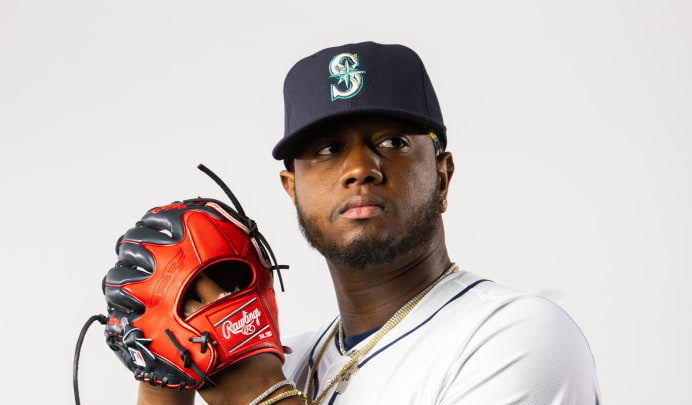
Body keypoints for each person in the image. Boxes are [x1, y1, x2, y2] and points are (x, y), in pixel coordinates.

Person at [137, 41, 601, 405]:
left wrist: (258, 396)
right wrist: (163, 374)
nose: (360, 167)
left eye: (392, 141)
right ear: (291, 188)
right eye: (327, 150)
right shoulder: (285, 360)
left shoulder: (515, 339)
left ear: (443, 176)